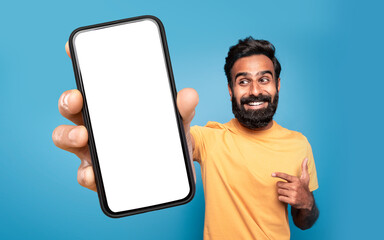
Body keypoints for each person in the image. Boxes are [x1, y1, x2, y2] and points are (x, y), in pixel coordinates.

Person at [53, 37, 319, 240]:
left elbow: (304, 221)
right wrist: (112, 132)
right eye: (243, 82)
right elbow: (170, 140)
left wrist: (306, 202)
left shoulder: (298, 144)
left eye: (264, 79)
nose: (255, 90)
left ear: (278, 85)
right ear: (230, 90)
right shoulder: (211, 138)